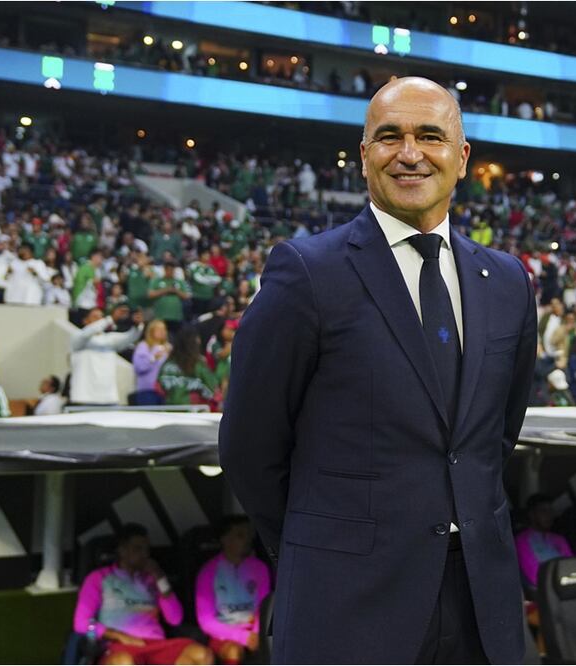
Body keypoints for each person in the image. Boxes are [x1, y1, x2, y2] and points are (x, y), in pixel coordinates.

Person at [219, 77, 537, 664]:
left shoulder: (508, 281)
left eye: (430, 136)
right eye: (390, 137)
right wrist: (320, 550)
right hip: (346, 603)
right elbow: (249, 446)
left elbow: (494, 438)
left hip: (480, 603)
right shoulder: (307, 272)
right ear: (364, 156)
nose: (410, 153)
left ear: (462, 157)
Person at [73, 523, 212, 666]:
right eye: (138, 549)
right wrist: (118, 636)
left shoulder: (152, 580)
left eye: (146, 549)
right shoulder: (99, 578)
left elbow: (175, 619)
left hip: (155, 644)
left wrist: (160, 578)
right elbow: (81, 623)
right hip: (120, 645)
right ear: (122, 550)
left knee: (201, 654)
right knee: (124, 662)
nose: (144, 555)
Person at [195, 516, 272, 665]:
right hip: (224, 635)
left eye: (249, 535)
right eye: (240, 535)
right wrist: (243, 637)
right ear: (225, 539)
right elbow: (206, 621)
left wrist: (256, 633)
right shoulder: (208, 572)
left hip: (256, 633)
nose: (247, 540)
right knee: (233, 651)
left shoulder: (260, 568)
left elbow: (264, 608)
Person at [68, 305, 144, 405]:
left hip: (109, 398)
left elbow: (131, 337)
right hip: (84, 398)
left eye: (101, 317)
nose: (100, 320)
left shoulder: (110, 339)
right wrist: (110, 319)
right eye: (95, 317)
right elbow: (86, 333)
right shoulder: (77, 337)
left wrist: (137, 325)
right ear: (85, 321)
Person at [514, 494, 573, 589]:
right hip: (541, 591)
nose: (549, 515)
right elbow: (534, 576)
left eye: (551, 511)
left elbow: (572, 566)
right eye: (543, 511)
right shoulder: (522, 540)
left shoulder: (559, 539)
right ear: (532, 515)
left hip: (567, 586)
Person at [156, 327, 218, 407]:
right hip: (192, 410)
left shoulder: (168, 363)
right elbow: (213, 390)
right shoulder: (198, 365)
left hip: (169, 409)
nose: (199, 341)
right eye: (197, 339)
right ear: (193, 342)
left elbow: (158, 387)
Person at [130, 320, 170, 406]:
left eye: (164, 329)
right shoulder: (143, 346)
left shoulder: (168, 348)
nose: (162, 332)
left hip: (165, 391)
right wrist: (153, 358)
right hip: (147, 391)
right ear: (151, 331)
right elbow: (139, 368)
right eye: (159, 329)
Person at [148, 261, 190, 336]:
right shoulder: (157, 281)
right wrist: (166, 290)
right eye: (168, 269)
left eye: (172, 270)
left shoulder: (179, 282)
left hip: (176, 316)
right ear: (165, 270)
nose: (170, 272)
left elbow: (186, 296)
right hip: (160, 315)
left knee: (175, 336)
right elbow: (150, 294)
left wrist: (176, 291)